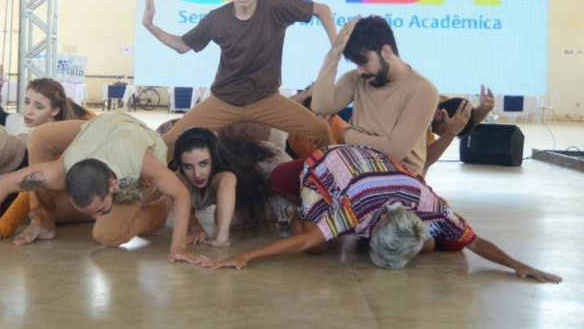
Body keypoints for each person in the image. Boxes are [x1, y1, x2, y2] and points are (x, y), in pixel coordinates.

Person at [208, 144, 561, 283]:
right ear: (373, 227)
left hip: (377, 172)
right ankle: (291, 210)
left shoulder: (432, 208)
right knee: (318, 246)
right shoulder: (355, 207)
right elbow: (302, 242)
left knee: (431, 246)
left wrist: (516, 264)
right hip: (328, 168)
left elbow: (475, 241)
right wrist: (246, 257)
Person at [0, 113, 207, 266]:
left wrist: (178, 247)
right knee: (38, 137)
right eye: (90, 212)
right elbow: (3, 184)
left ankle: (156, 211)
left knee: (107, 235)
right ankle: (44, 224)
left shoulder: (142, 163)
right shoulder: (59, 170)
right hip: (103, 125)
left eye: (100, 209)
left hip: (133, 140)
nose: (95, 217)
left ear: (113, 185)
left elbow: (181, 194)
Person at [143, 0, 337, 154]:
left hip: (265, 99)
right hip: (224, 100)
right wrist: (150, 25)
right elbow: (182, 46)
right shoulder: (217, 18)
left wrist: (336, 48)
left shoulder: (274, 7)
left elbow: (322, 10)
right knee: (168, 142)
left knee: (320, 130)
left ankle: (332, 172)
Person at [0, 79, 97, 242]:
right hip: (73, 193)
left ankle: (43, 225)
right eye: (27, 102)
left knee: (27, 197)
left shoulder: (55, 136)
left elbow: (36, 184)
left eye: (38, 107)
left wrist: (2, 226)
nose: (28, 111)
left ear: (55, 110)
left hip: (88, 199)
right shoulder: (42, 130)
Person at [311, 15, 439, 175]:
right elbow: (320, 107)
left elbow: (394, 150)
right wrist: (333, 55)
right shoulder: (355, 79)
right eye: (356, 64)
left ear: (386, 51)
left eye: (364, 62)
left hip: (398, 174)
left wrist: (346, 134)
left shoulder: (423, 90)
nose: (360, 71)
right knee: (293, 173)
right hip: (356, 165)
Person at [170, 127, 291, 246]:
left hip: (282, 182)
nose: (197, 174)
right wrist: (196, 228)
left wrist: (221, 239)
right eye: (188, 166)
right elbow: (185, 207)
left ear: (215, 159)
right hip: (250, 193)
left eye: (203, 163)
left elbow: (227, 180)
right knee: (228, 218)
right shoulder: (180, 176)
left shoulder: (259, 164)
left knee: (225, 218)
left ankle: (287, 210)